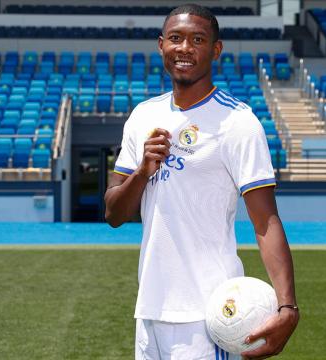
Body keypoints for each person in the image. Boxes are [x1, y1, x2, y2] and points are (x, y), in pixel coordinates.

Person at [104, 4, 299, 359]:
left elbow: (265, 220)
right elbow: (114, 213)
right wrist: (143, 171)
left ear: (216, 49)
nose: (185, 48)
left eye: (198, 39)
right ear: (161, 45)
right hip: (149, 310)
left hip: (209, 314)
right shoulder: (142, 116)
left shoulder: (238, 122)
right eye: (176, 38)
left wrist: (288, 308)